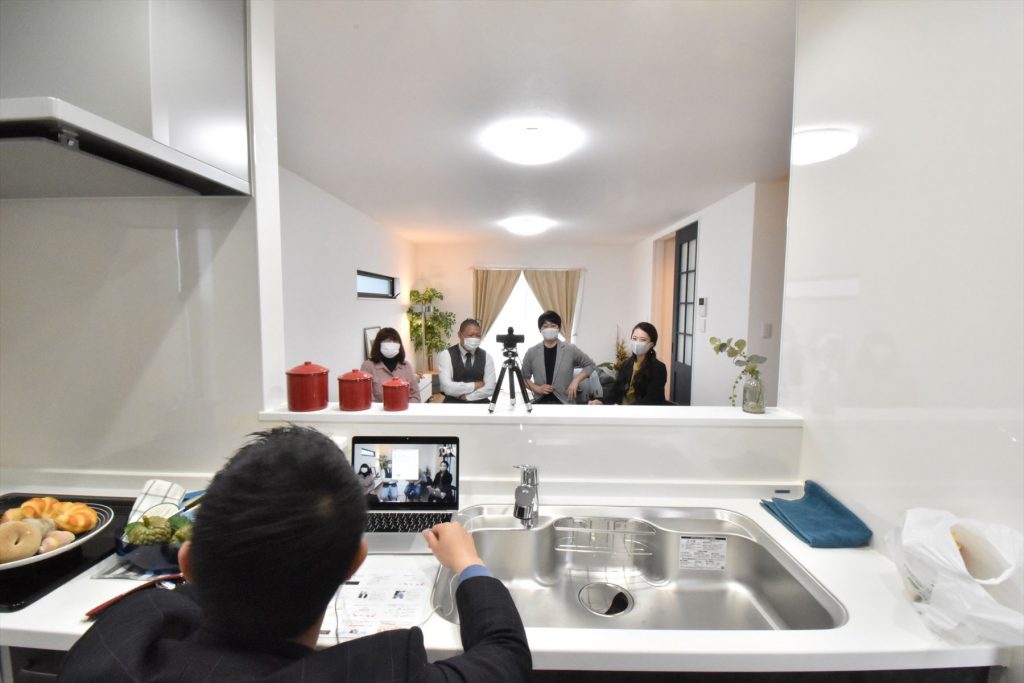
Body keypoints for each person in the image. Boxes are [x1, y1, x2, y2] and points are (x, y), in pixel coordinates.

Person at [60, 426, 530, 682]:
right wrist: (468, 563)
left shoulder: (113, 646)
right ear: (355, 561)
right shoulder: (379, 674)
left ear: (187, 564)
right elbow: (505, 655)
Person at [521, 310, 596, 404]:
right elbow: (523, 378)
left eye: (553, 326)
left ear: (559, 328)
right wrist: (538, 389)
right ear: (540, 329)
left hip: (565, 402)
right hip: (540, 402)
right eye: (545, 326)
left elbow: (590, 365)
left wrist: (576, 380)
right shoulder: (531, 352)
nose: (549, 329)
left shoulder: (570, 349)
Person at [589, 322, 668, 406]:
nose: (637, 342)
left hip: (641, 412)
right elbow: (615, 391)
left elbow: (652, 399)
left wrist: (626, 409)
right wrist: (602, 402)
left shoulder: (658, 368)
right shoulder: (626, 364)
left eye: (643, 340)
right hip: (621, 410)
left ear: (651, 344)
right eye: (634, 338)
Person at [437, 318, 496, 403]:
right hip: (453, 404)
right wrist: (475, 385)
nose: (474, 338)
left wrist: (467, 397)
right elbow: (446, 387)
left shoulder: (487, 357)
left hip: (480, 404)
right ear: (459, 335)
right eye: (470, 335)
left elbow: (490, 388)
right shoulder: (446, 355)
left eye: (478, 336)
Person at [360, 327, 421, 403]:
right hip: (379, 410)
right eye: (387, 341)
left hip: (405, 409)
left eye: (395, 341)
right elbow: (366, 398)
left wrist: (405, 407)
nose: (391, 344)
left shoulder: (406, 366)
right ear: (379, 344)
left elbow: (416, 396)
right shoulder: (368, 366)